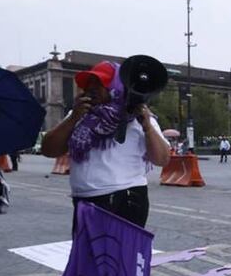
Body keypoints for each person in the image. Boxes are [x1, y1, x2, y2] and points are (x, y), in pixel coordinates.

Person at [41, 61, 170, 234]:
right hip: (85, 202)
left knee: (119, 259)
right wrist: (73, 119)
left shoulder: (137, 117)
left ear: (116, 86)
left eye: (100, 83)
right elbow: (49, 150)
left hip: (125, 201)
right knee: (88, 259)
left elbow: (162, 159)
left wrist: (147, 126)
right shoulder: (79, 114)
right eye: (89, 83)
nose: (92, 88)